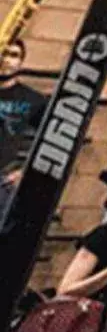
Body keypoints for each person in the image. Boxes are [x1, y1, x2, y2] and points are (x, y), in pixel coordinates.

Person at [0, 38, 47, 217]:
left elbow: (49, 139)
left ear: (21, 62)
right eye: (3, 53)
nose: (6, 60)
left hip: (3, 180)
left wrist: (25, 171)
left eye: (14, 55)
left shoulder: (32, 100)